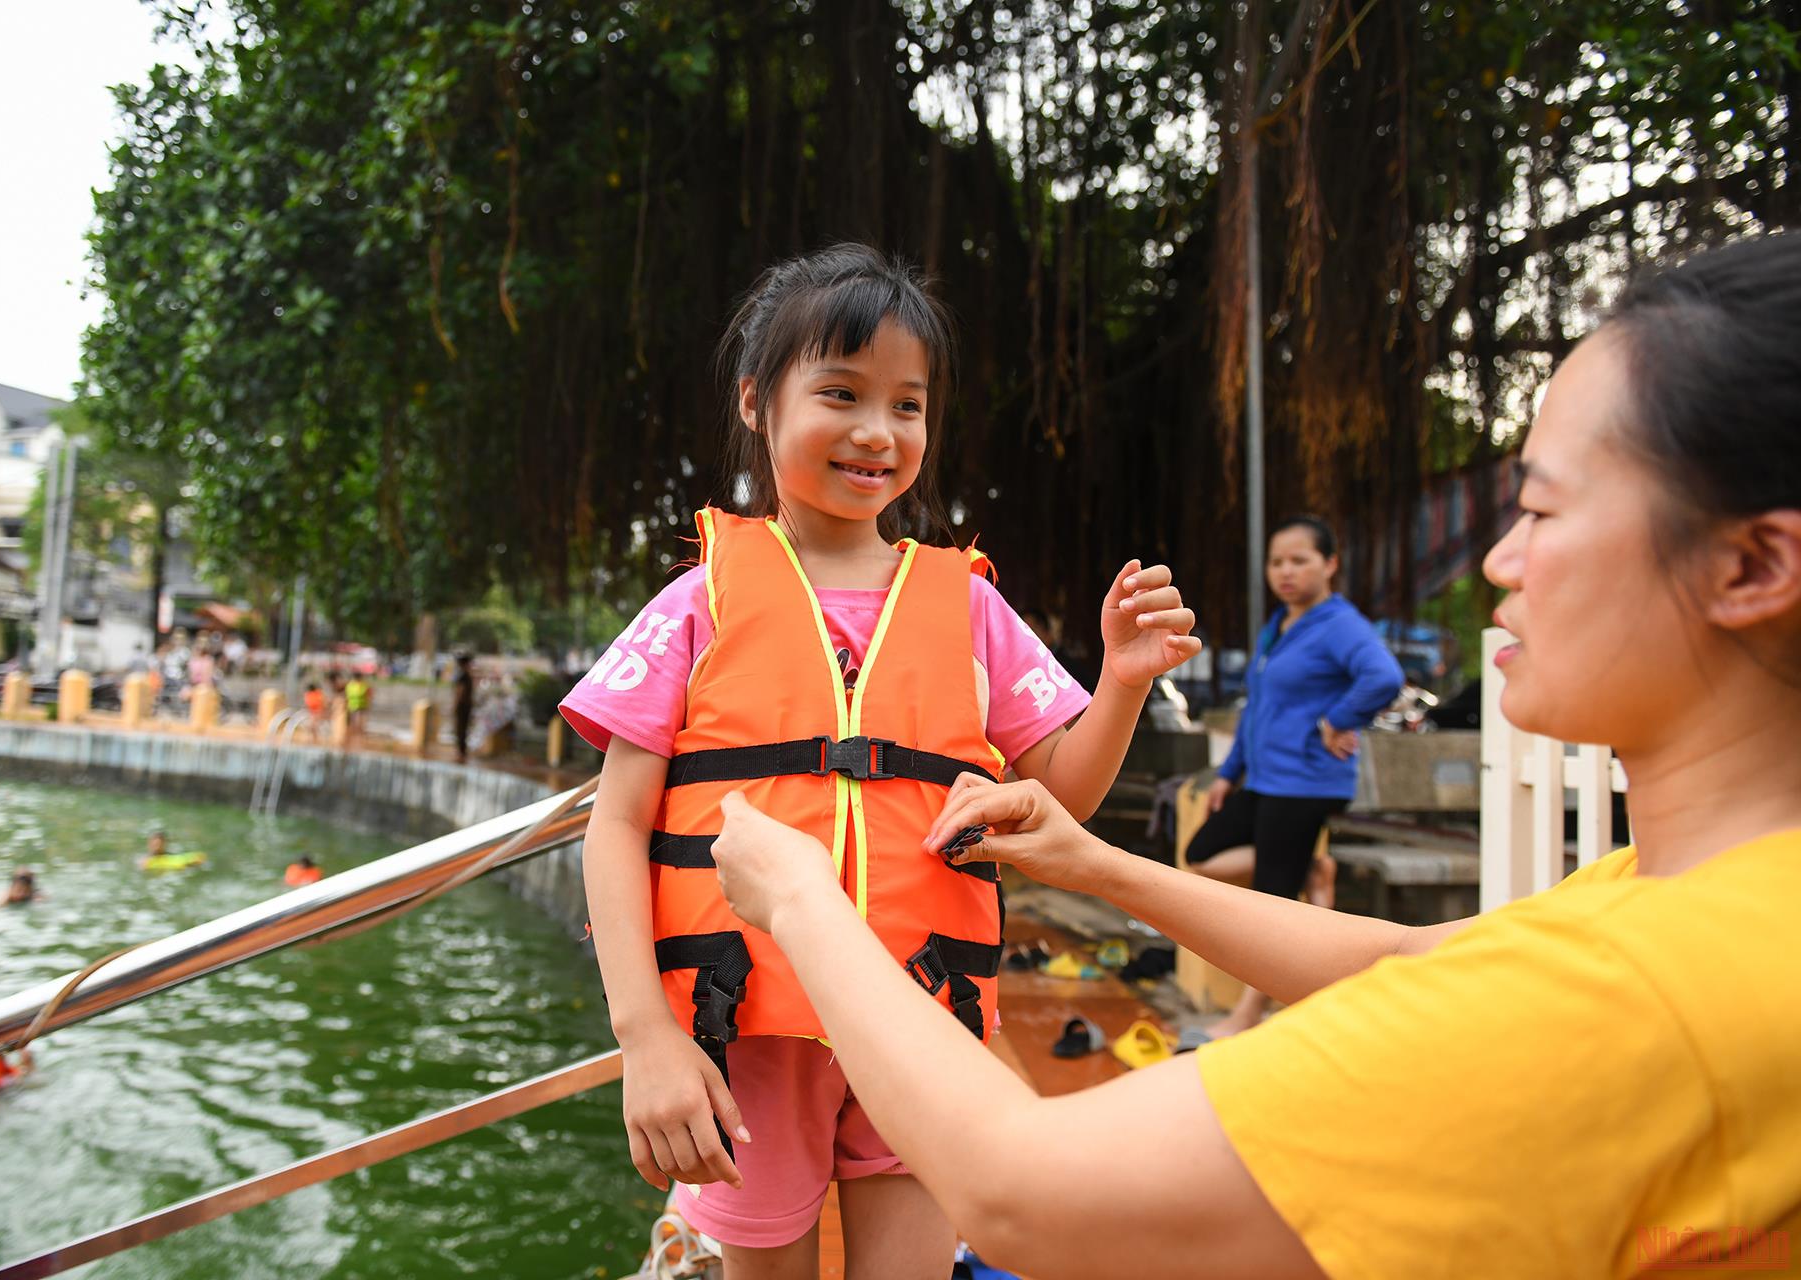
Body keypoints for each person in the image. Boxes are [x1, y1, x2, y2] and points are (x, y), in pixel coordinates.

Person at [705, 232, 1801, 1278]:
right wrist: (1097, 865)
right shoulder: (1713, 902)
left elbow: (1022, 1193)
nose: (1504, 559)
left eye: (1541, 508)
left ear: (1752, 566)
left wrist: (801, 898)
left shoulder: (1647, 997)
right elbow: (1417, 964)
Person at [559, 243, 1199, 1279]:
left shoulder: (970, 602)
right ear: (757, 402)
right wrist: (646, 1038)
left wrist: (1121, 678)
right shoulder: (699, 600)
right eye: (842, 393)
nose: (877, 431)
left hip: (923, 1014)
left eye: (908, 405)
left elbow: (1061, 795)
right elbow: (619, 821)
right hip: (746, 1026)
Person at [1180, 514, 1403, 1040]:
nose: (1285, 571)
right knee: (1202, 857)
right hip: (1262, 779)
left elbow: (1385, 676)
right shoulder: (1278, 625)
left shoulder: (1339, 623)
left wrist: (1338, 719)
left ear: (1330, 564)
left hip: (1306, 782)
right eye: (1277, 561)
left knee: (1271, 903)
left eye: (1299, 560)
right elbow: (1259, 706)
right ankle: (1311, 870)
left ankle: (1246, 1016)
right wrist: (1228, 773)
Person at [452, 652, 477, 763]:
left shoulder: (463, 676)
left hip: (463, 707)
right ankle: (461, 752)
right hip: (465, 706)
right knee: (462, 729)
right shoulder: (464, 676)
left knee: (461, 729)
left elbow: (459, 692)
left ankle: (461, 753)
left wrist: (455, 705)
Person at [343, 671, 371, 746]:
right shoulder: (363, 685)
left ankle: (357, 736)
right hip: (357, 705)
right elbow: (368, 694)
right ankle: (356, 737)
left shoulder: (350, 685)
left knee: (357, 721)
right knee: (357, 722)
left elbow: (346, 696)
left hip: (356, 705)